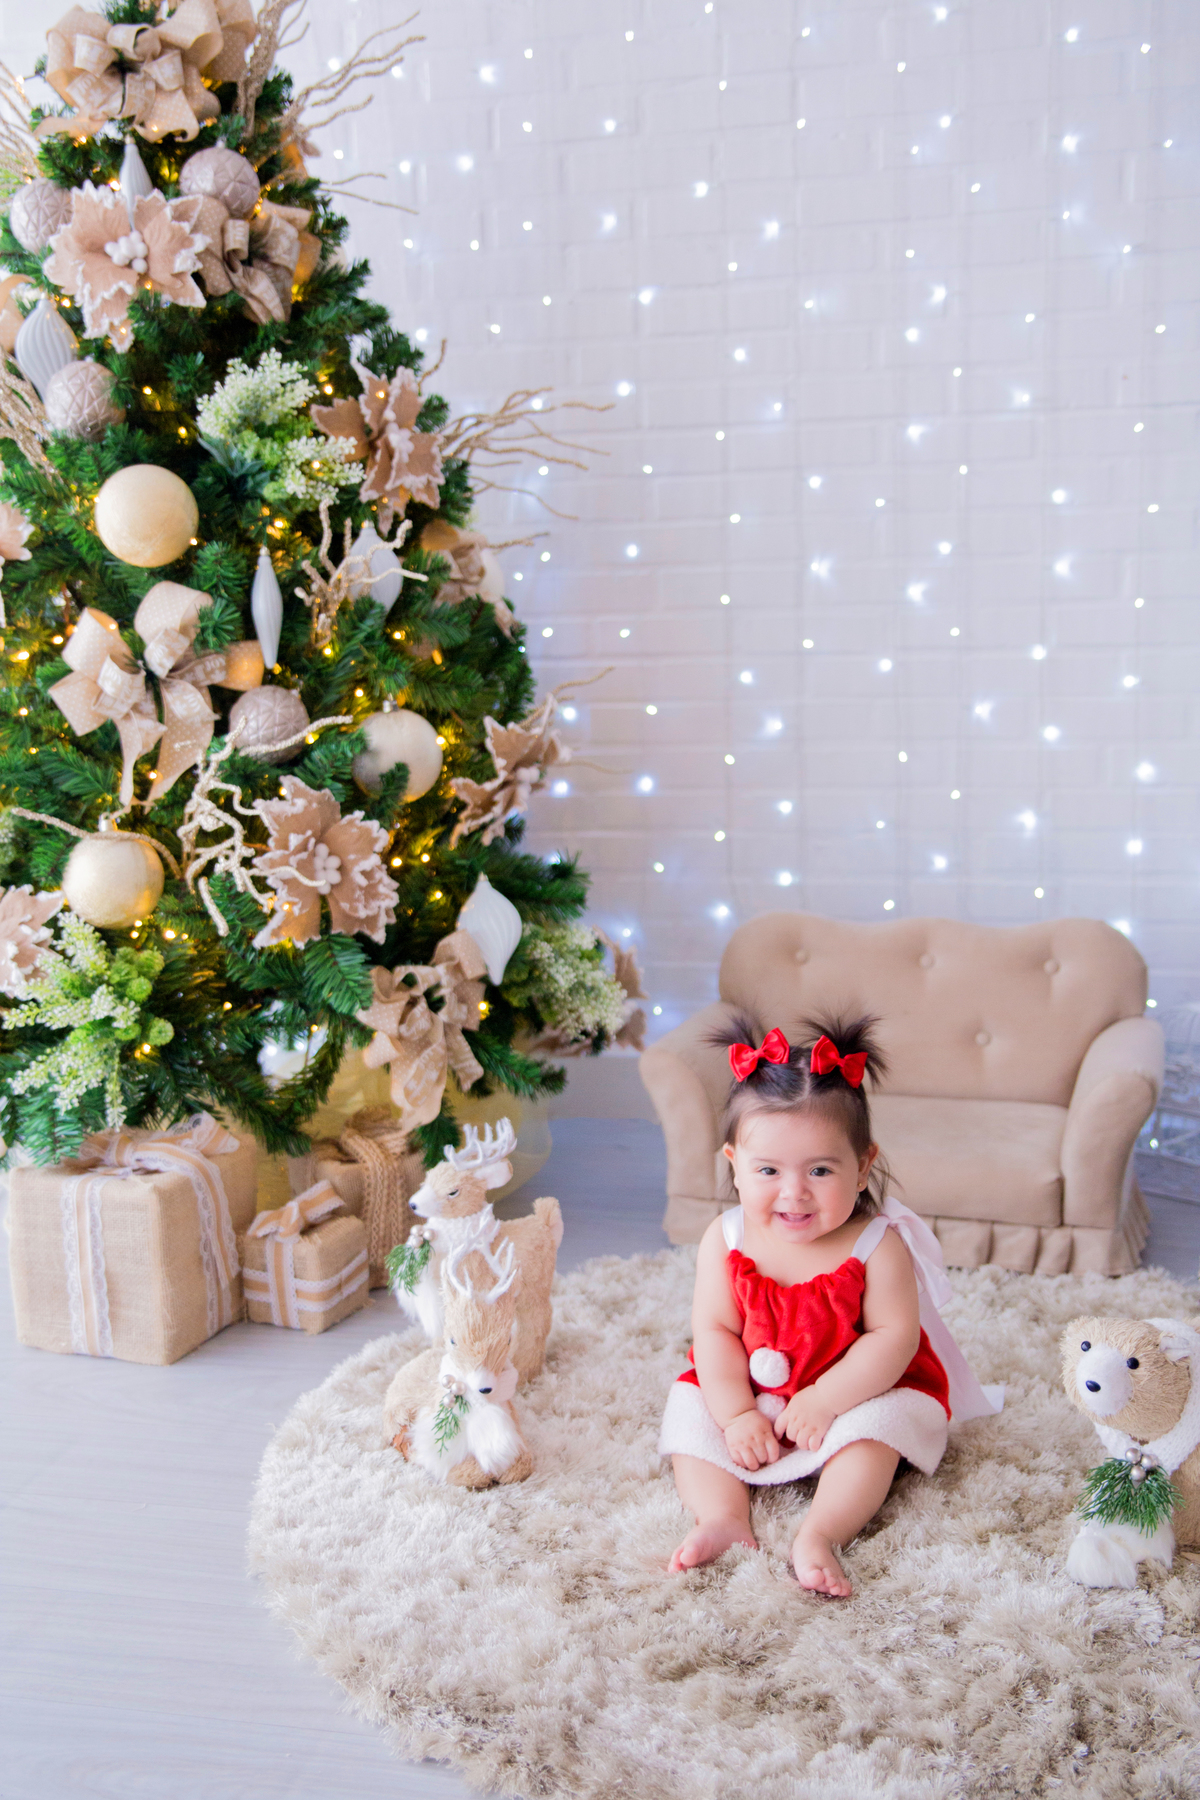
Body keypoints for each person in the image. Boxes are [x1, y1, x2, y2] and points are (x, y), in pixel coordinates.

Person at [659, 1014, 1001, 1597]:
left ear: (864, 1165)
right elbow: (715, 1331)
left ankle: (821, 1532)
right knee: (690, 1410)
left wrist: (826, 1399)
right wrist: (737, 1412)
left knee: (880, 1433)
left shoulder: (876, 1244)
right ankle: (722, 1516)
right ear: (734, 1164)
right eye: (768, 1170)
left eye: (820, 1170)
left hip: (852, 1391)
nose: (794, 1192)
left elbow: (893, 1339)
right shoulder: (727, 1236)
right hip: (755, 1389)